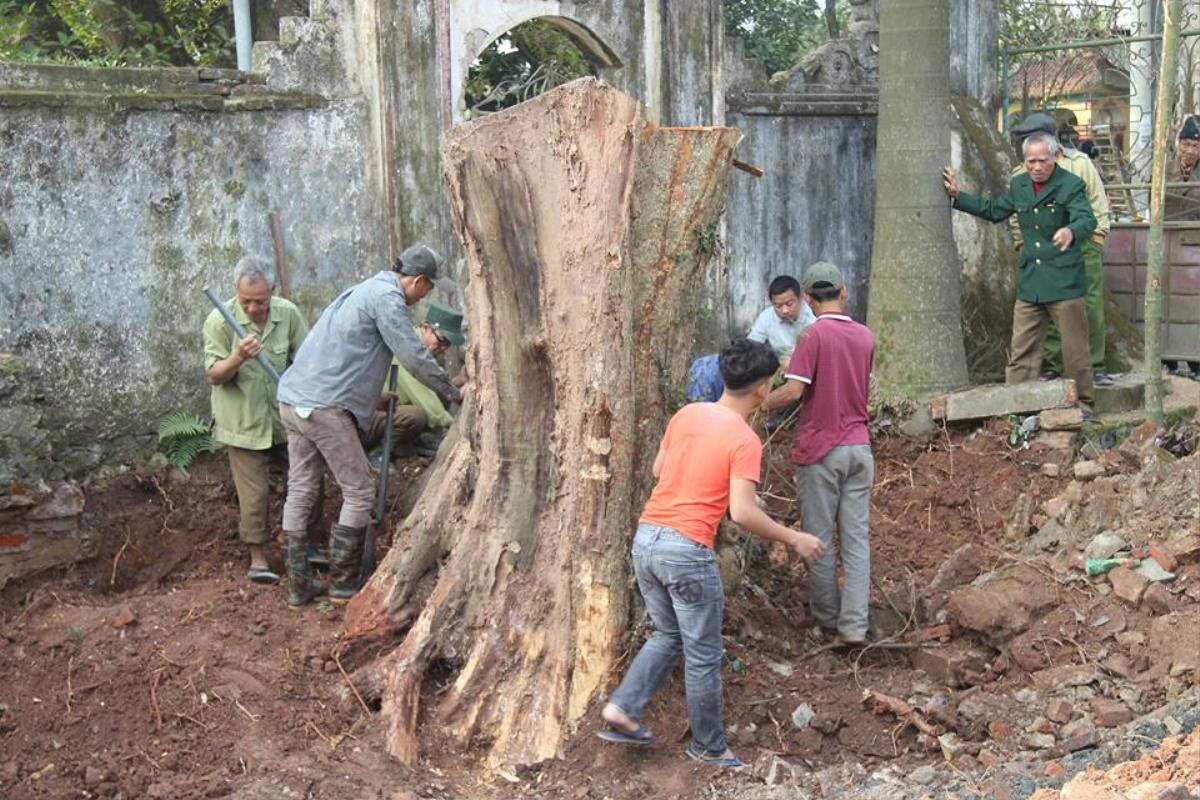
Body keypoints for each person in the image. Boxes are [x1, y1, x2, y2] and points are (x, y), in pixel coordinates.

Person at [596, 338, 824, 770]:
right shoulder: (743, 438)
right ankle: (709, 746)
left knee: (668, 634)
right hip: (686, 550)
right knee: (702, 654)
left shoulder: (686, 414)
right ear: (761, 389)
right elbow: (741, 513)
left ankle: (622, 708)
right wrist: (793, 537)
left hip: (647, 540)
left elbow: (659, 471)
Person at [276, 244, 461, 607]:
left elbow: (338, 354)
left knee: (300, 488)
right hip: (325, 407)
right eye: (430, 288)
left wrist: (370, 399)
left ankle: (299, 588)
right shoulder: (388, 299)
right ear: (418, 281)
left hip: (293, 397)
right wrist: (451, 392)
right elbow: (412, 354)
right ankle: (344, 583)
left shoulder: (362, 290)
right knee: (359, 490)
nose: (428, 295)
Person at [943, 132, 1097, 415]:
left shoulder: (1071, 185)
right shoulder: (1020, 184)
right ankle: (1017, 405)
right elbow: (994, 210)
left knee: (1074, 350)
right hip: (1032, 281)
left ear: (1055, 157)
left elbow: (1087, 218)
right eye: (1030, 161)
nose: (1036, 167)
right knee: (1022, 349)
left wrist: (1070, 231)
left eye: (1042, 160)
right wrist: (957, 196)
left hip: (1064, 281)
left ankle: (1083, 402)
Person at [762, 262, 875, 645]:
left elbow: (793, 392)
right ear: (844, 292)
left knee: (820, 538)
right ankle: (855, 626)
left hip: (822, 451)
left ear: (808, 300)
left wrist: (756, 405)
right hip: (860, 448)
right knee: (856, 541)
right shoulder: (865, 337)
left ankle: (828, 620)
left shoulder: (811, 337)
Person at [203, 257, 310, 584]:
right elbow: (214, 375)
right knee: (254, 494)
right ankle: (259, 557)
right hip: (243, 423)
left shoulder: (288, 314)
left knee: (307, 478)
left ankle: (303, 545)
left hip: (283, 418)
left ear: (272, 293)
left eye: (259, 301)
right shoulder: (219, 322)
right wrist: (237, 357)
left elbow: (305, 360)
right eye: (245, 301)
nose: (251, 308)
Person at [1008, 112, 1115, 387]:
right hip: (1044, 252)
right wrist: (1022, 243)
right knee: (1049, 308)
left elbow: (1097, 203)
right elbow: (1013, 212)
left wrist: (1095, 239)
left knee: (1089, 305)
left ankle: (1097, 365)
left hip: (1082, 243)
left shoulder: (1080, 164)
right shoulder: (1023, 172)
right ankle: (1055, 365)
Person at [363, 304, 467, 457]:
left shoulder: (421, 346)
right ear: (426, 328)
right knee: (415, 416)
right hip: (368, 413)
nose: (444, 348)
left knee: (440, 393)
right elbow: (421, 393)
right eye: (442, 340)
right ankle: (380, 453)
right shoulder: (408, 348)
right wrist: (454, 427)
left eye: (448, 345)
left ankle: (417, 440)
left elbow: (438, 384)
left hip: (388, 407)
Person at [747, 275, 818, 360]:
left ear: (801, 298)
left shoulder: (813, 319)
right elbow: (751, 346)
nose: (785, 311)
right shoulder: (766, 317)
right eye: (778, 306)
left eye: (789, 304)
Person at [1165, 115, 1200, 222]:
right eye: (1186, 144)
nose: (1190, 151)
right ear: (1179, 144)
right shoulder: (1164, 171)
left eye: (1196, 146)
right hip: (1168, 234)